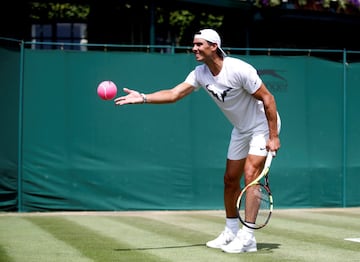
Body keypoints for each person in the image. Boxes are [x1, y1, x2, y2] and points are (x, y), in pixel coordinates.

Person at [114, 28, 281, 253]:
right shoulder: (200, 73)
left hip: (262, 125)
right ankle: (231, 230)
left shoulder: (239, 69)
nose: (194, 49)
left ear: (214, 46)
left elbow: (268, 99)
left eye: (199, 44)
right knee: (230, 179)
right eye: (194, 45)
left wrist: (273, 136)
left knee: (251, 175)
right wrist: (143, 97)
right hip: (241, 129)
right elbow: (174, 94)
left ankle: (248, 237)